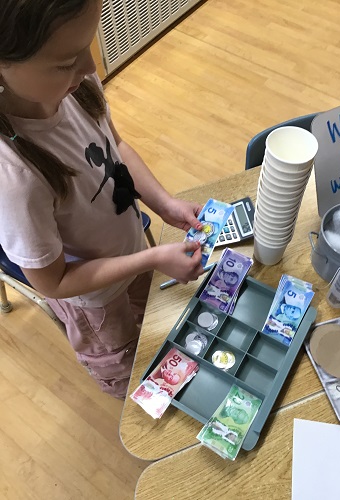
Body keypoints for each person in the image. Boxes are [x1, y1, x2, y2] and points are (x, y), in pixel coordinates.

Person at [0, 0, 205, 399]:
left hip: (132, 252)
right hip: (96, 303)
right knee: (127, 368)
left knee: (157, 326)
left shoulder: (77, 86)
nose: (90, 68)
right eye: (64, 62)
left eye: (88, 46)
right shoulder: (15, 179)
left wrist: (163, 203)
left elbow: (118, 147)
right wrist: (150, 257)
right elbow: (54, 281)